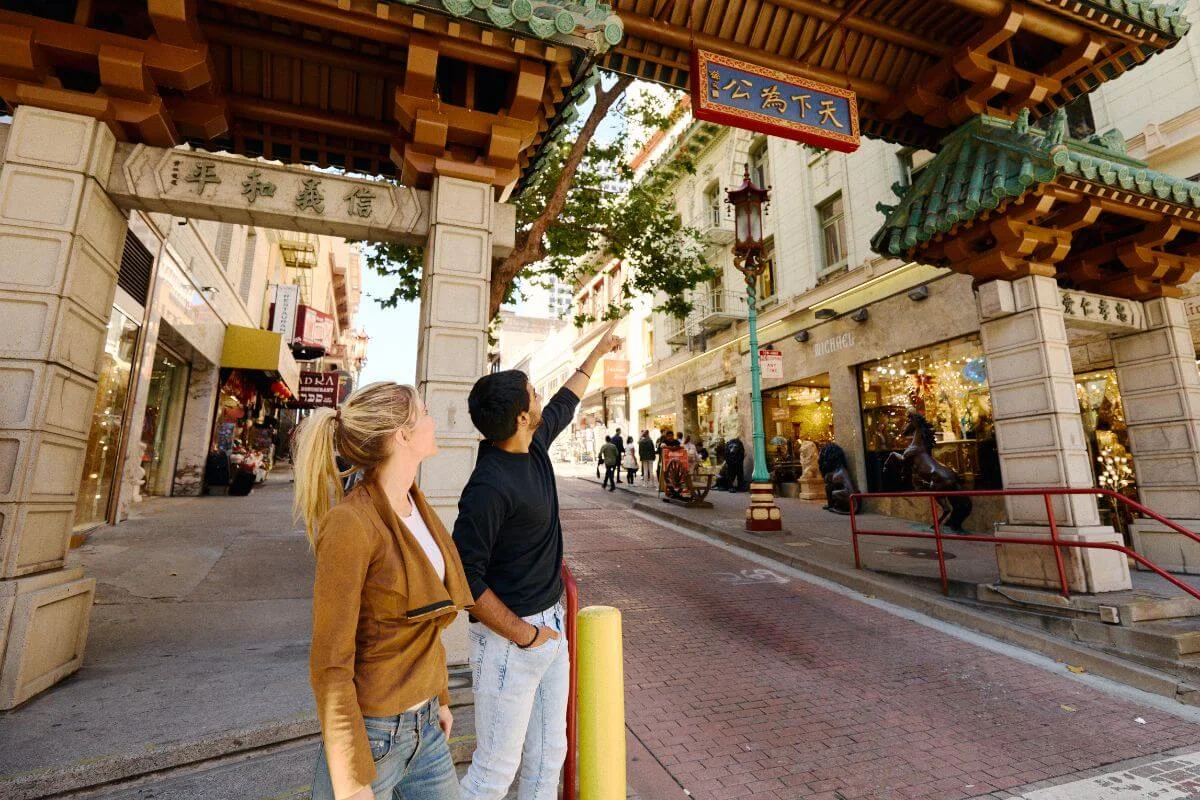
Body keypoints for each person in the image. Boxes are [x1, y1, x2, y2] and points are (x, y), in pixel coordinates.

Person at [453, 325, 620, 800]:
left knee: (550, 756)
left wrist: (599, 350)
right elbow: (463, 577)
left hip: (550, 628)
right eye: (533, 392)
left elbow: (567, 398)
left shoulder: (533, 442)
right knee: (493, 773)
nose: (541, 394)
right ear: (523, 416)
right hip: (510, 641)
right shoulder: (487, 487)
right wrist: (525, 636)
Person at [294, 382, 472, 800]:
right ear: (402, 436)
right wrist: (351, 777)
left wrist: (440, 697)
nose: (433, 421)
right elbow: (330, 661)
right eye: (424, 413)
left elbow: (428, 615)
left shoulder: (414, 505)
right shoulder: (350, 524)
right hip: (373, 734)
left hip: (426, 726)